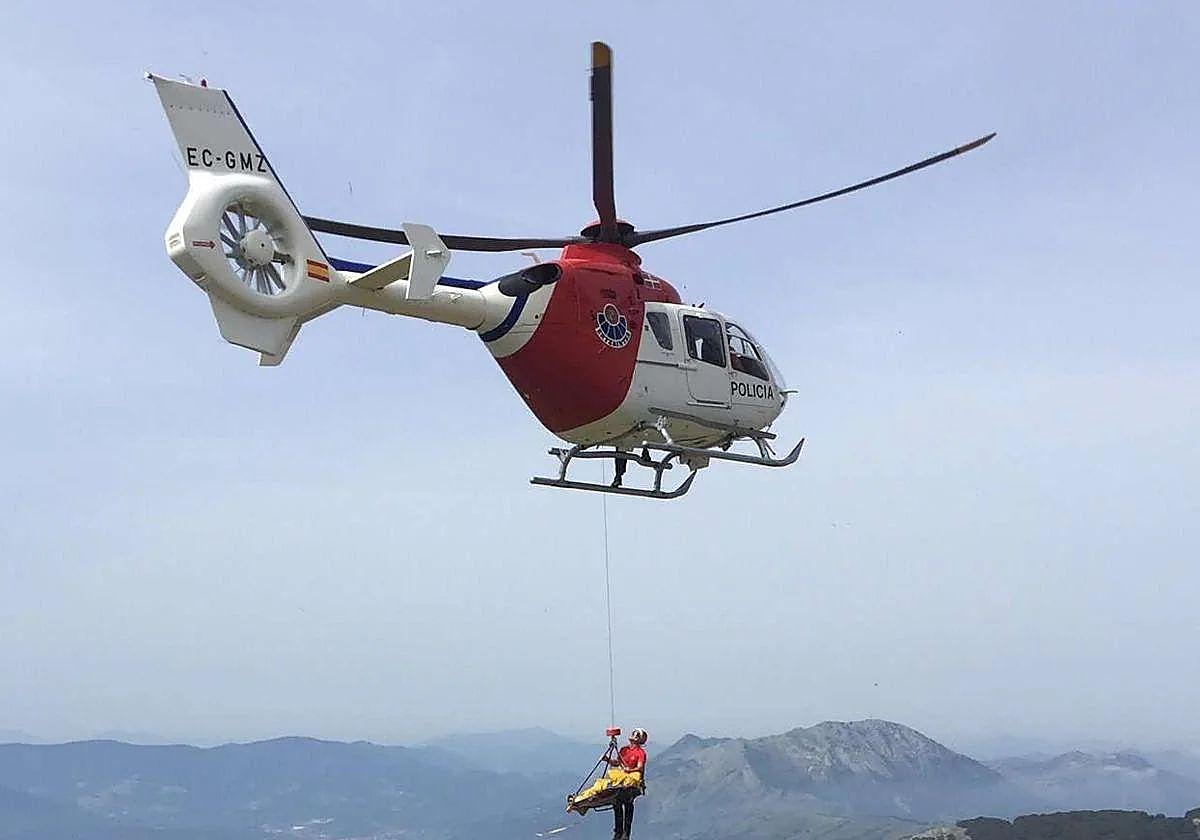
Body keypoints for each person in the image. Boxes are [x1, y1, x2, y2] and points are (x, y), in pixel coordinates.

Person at [604, 728, 647, 840]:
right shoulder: (624, 750)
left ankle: (625, 834)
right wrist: (608, 760)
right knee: (617, 804)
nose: (633, 736)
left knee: (627, 803)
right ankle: (619, 832)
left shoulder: (640, 753)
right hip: (622, 778)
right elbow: (617, 763)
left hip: (631, 782)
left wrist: (630, 770)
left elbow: (640, 768)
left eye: (636, 735)